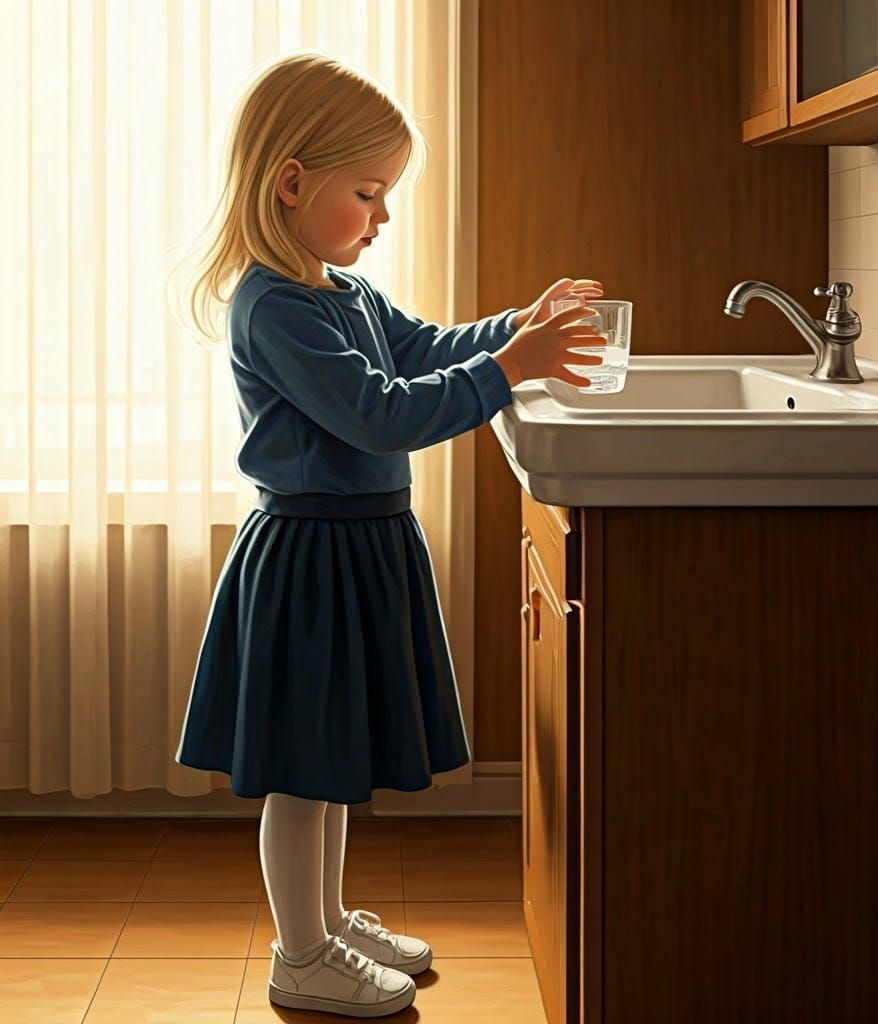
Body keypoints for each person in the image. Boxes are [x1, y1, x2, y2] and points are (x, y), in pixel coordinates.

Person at [167, 50, 605, 1017]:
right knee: (300, 771)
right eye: (367, 193)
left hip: (359, 544)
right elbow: (380, 413)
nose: (383, 216)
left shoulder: (340, 291)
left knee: (326, 766)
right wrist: (510, 366)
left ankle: (320, 922)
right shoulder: (274, 305)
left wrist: (514, 328)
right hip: (310, 555)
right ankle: (300, 954)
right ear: (292, 182)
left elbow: (421, 349)